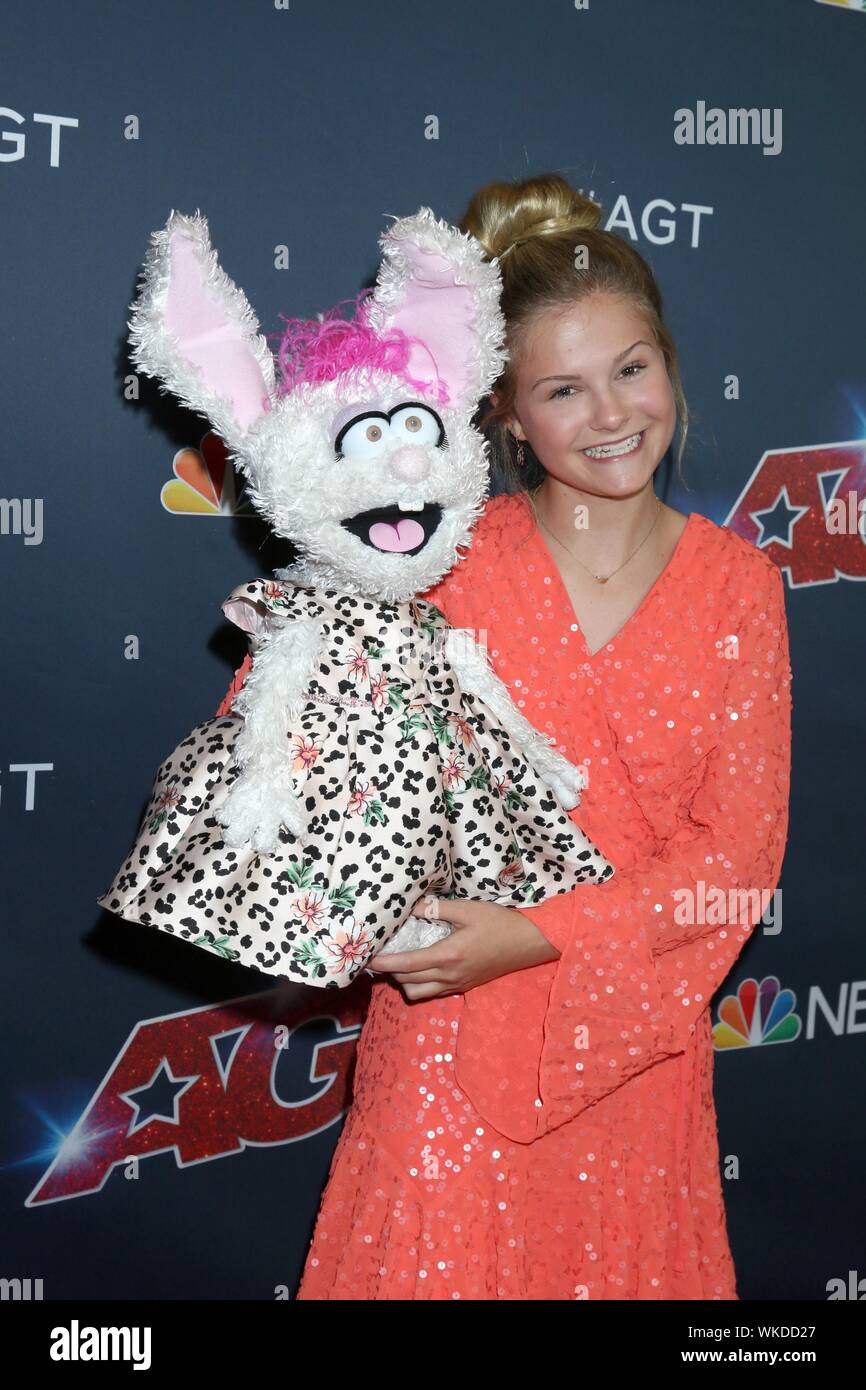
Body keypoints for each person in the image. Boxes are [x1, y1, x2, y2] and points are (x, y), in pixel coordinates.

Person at [215, 174, 792, 1300]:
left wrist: (526, 934)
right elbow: (295, 749)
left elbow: (735, 865)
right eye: (562, 389)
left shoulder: (740, 587)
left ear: (669, 362)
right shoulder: (435, 554)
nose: (611, 414)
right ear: (505, 416)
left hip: (635, 1059)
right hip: (444, 1054)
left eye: (630, 369)